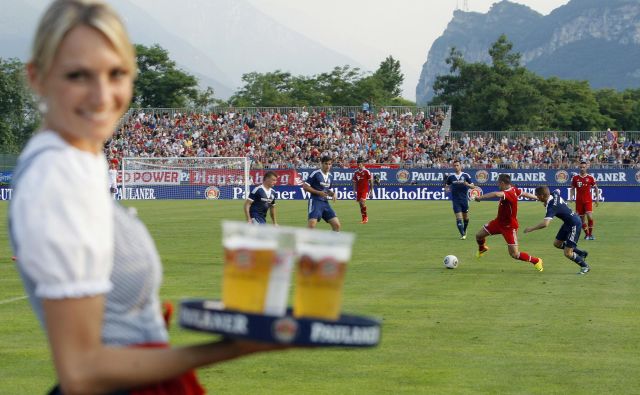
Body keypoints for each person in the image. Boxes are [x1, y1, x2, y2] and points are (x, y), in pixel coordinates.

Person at [9, 1, 286, 394]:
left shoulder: (80, 159)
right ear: (37, 78)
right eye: (78, 75)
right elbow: (81, 372)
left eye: (116, 73)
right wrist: (231, 347)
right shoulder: (57, 176)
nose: (102, 95)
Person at [473, 174, 544, 271]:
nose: (498, 185)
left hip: (509, 227)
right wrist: (538, 198)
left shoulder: (508, 192)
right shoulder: (514, 189)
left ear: (502, 183)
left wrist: (479, 198)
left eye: (498, 183)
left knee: (514, 254)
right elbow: (525, 194)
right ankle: (482, 248)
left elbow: (496, 194)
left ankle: (536, 261)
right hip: (498, 222)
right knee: (479, 235)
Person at [524, 186, 591, 274]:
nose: (537, 197)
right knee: (557, 244)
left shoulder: (552, 206)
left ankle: (585, 266)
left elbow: (545, 224)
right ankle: (580, 253)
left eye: (537, 196)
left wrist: (531, 229)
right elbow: (557, 191)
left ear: (543, 196)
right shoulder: (553, 194)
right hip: (568, 222)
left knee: (568, 253)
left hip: (574, 224)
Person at [303, 155, 341, 231]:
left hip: (325, 203)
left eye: (330, 164)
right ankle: (305, 242)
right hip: (315, 201)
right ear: (322, 164)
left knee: (336, 225)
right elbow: (305, 186)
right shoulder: (315, 173)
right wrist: (318, 192)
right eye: (326, 163)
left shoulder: (330, 176)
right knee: (312, 225)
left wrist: (333, 194)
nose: (328, 166)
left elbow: (327, 190)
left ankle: (332, 242)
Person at [444, 160, 476, 239]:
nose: (456, 167)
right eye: (454, 165)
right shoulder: (450, 177)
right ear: (453, 167)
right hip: (456, 200)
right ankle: (463, 235)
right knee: (458, 218)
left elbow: (473, 186)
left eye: (457, 165)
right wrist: (446, 189)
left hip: (464, 200)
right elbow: (446, 186)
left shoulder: (466, 175)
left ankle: (465, 230)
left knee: (466, 218)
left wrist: (467, 184)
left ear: (460, 166)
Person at [571, 161, 600, 240]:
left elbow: (596, 189)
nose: (582, 169)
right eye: (581, 167)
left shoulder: (590, 178)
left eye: (584, 167)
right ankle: (587, 235)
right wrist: (571, 197)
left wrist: (597, 199)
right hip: (579, 201)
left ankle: (590, 234)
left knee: (589, 217)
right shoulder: (575, 178)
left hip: (588, 200)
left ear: (586, 167)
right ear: (579, 168)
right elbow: (572, 188)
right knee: (581, 219)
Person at [352, 157, 374, 224]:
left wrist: (371, 191)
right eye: (358, 164)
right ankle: (363, 218)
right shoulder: (356, 172)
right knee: (360, 205)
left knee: (362, 202)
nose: (359, 166)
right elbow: (354, 182)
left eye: (360, 164)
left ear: (363, 164)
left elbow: (371, 182)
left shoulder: (367, 171)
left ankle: (366, 218)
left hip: (365, 190)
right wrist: (354, 190)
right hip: (359, 190)